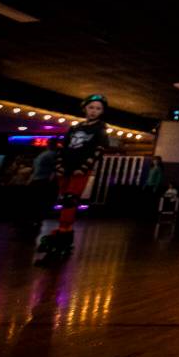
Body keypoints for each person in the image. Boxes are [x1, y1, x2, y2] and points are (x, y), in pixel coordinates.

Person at [37, 94, 110, 261]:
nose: (94, 111)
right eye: (91, 107)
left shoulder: (100, 129)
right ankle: (65, 235)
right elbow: (64, 148)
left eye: (98, 109)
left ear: (102, 111)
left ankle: (63, 235)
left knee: (70, 200)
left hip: (80, 170)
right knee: (65, 200)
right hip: (66, 168)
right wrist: (59, 165)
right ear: (85, 108)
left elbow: (99, 150)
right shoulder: (75, 128)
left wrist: (84, 167)